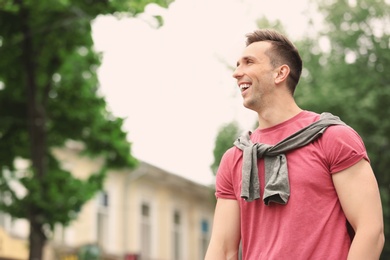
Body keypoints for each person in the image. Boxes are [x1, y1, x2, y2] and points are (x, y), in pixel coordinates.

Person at [205, 29, 384, 260]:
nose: (237, 73)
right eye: (238, 64)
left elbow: (371, 231)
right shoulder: (235, 158)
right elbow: (222, 249)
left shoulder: (332, 137)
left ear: (280, 73)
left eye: (249, 62)